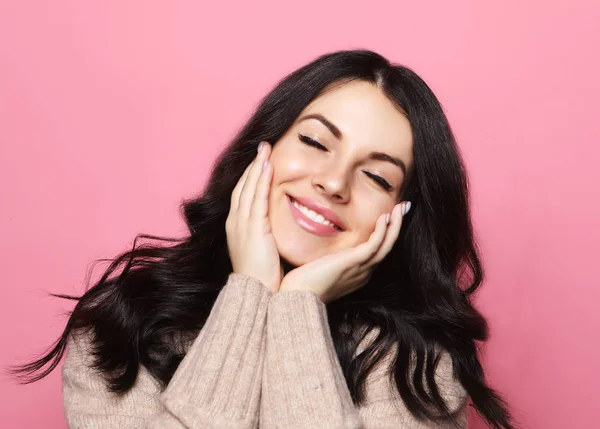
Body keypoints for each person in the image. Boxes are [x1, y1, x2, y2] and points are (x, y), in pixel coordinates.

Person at [10, 49, 516, 429]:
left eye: (378, 178)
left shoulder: (417, 370)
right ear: (263, 147)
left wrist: (297, 305)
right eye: (316, 142)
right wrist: (249, 292)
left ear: (401, 216)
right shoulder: (119, 326)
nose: (333, 183)